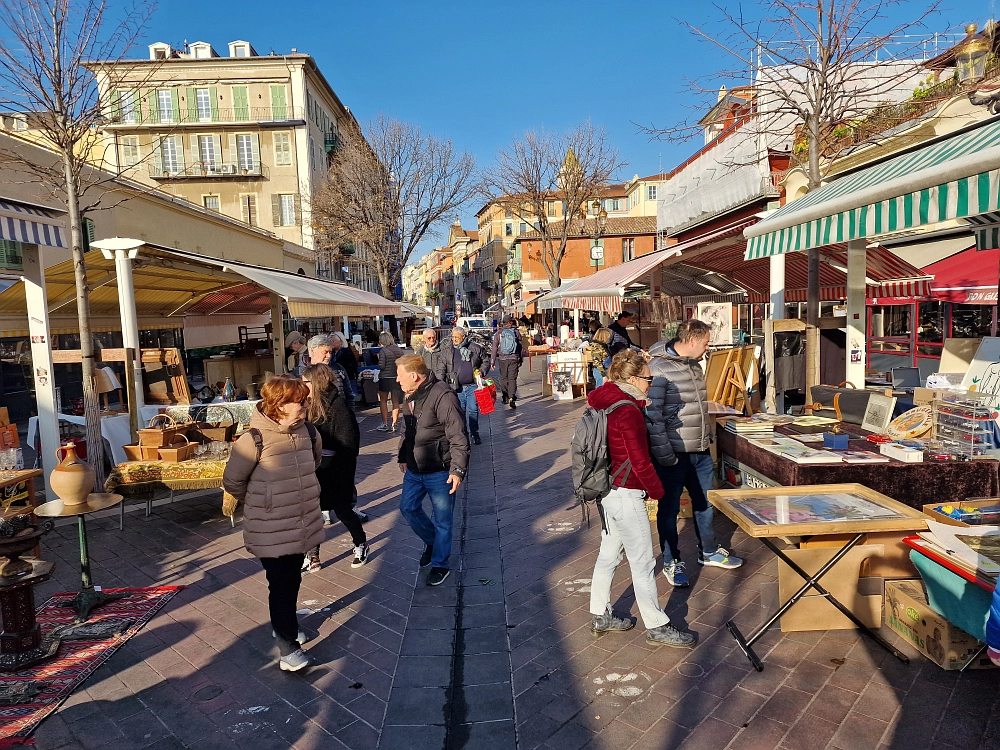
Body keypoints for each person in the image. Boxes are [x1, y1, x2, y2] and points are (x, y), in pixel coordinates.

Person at [588, 350, 696, 648]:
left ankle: (599, 613)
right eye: (648, 378)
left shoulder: (605, 400)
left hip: (606, 489)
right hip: (626, 491)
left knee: (609, 554)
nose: (651, 383)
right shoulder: (628, 411)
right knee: (643, 561)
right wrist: (659, 493)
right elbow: (640, 461)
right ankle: (657, 624)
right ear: (633, 379)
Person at [223, 375, 323, 672]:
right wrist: (264, 499)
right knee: (281, 582)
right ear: (279, 405)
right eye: (299, 400)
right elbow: (233, 481)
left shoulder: (309, 432)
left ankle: (285, 626)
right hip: (270, 525)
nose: (305, 405)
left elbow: (312, 465)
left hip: (300, 520)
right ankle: (288, 649)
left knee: (292, 578)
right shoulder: (252, 439)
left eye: (305, 399)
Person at [646, 319, 743, 588]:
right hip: (674, 454)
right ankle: (671, 561)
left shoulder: (694, 365)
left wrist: (707, 440)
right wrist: (665, 454)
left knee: (704, 503)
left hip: (699, 450)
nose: (708, 347)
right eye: (706, 342)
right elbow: (652, 416)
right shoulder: (658, 368)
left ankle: (709, 551)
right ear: (691, 341)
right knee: (669, 509)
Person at [395, 354, 469, 586]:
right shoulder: (408, 394)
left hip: (440, 469)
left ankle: (440, 564)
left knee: (443, 520)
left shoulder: (443, 395)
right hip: (415, 468)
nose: (397, 380)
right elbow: (406, 430)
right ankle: (433, 542)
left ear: (414, 376)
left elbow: (457, 434)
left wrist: (457, 470)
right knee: (408, 507)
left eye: (400, 375)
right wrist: (402, 455)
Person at [299, 364, 367, 571]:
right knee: (311, 513)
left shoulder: (339, 408)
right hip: (314, 468)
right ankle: (312, 556)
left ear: (316, 383)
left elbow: (349, 444)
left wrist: (331, 460)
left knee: (343, 510)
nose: (302, 386)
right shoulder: (308, 405)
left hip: (336, 470)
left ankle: (360, 543)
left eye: (305, 382)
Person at [450, 326, 489, 445]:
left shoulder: (475, 348)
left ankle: (474, 432)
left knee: (473, 410)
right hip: (457, 387)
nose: (454, 339)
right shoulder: (449, 349)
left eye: (457, 337)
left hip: (472, 385)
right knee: (460, 411)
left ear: (463, 336)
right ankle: (463, 433)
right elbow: (443, 365)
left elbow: (485, 361)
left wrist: (481, 371)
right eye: (453, 337)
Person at [491, 316, 524, 409]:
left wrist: (492, 361)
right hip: (513, 358)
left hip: (502, 359)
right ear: (510, 322)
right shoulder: (516, 332)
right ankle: (512, 397)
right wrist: (520, 359)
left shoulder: (499, 333)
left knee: (503, 378)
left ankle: (505, 395)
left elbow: (494, 348)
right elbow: (520, 347)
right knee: (512, 379)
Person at [376, 332, 405, 432]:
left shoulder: (383, 351)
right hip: (396, 378)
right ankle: (394, 423)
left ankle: (385, 423)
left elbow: (381, 366)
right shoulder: (399, 350)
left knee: (383, 400)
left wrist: (378, 359)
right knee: (395, 401)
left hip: (385, 378)